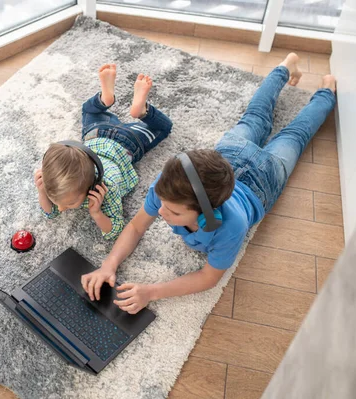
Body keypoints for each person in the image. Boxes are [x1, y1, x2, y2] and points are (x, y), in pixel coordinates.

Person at [81, 53, 337, 313]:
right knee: (257, 114)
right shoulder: (169, 185)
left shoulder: (230, 226)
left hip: (264, 178)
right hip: (231, 152)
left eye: (174, 211)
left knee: (296, 134)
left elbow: (208, 278)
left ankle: (327, 89)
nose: (160, 211)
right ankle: (284, 67)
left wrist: (151, 292)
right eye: (165, 204)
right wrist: (108, 265)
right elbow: (136, 227)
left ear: (206, 215)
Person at [35, 63, 173, 240]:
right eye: (58, 201)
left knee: (164, 128)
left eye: (70, 203)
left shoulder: (107, 189)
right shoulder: (54, 179)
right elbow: (50, 213)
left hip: (128, 141)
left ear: (91, 186)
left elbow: (114, 230)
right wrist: (42, 192)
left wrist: (97, 213)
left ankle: (141, 110)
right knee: (87, 110)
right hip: (97, 131)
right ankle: (107, 101)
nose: (61, 208)